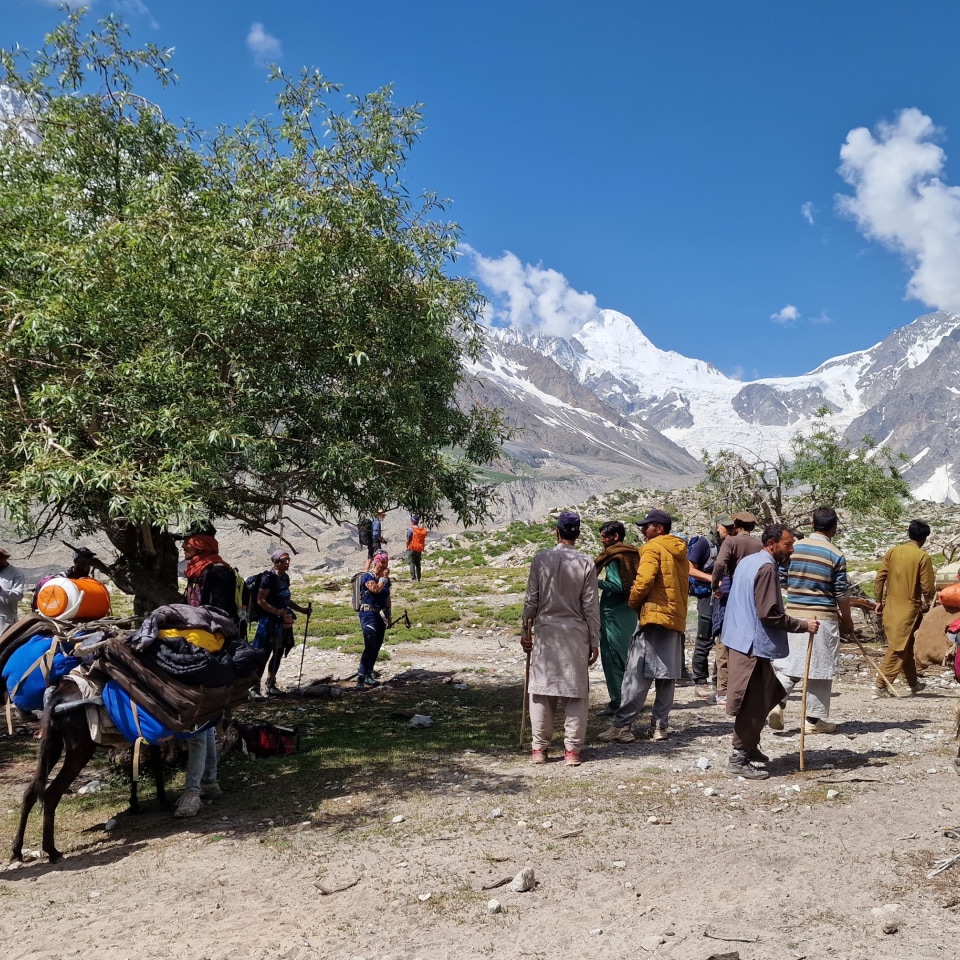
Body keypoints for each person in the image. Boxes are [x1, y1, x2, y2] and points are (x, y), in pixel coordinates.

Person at [722, 525, 818, 779]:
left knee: (769, 693)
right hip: (751, 644)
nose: (791, 549)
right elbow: (769, 613)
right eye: (787, 545)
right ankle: (738, 758)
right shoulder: (766, 568)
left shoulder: (748, 561)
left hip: (741, 638)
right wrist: (803, 625)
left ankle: (750, 745)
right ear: (772, 544)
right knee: (752, 702)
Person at [597, 509, 688, 744]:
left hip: (653, 618)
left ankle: (622, 726)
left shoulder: (652, 547)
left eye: (647, 526)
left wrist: (634, 602)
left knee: (636, 675)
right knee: (666, 677)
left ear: (659, 528)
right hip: (675, 619)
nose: (643, 530)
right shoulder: (680, 551)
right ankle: (659, 727)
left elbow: (644, 580)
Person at [521, 511, 600, 766]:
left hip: (546, 632)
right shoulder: (586, 562)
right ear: (577, 534)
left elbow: (531, 599)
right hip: (575, 634)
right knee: (575, 691)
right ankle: (572, 751)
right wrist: (595, 639)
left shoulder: (540, 559)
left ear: (557, 532)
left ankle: (539, 749)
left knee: (541, 690)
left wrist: (525, 631)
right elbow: (590, 605)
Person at [769, 507, 853, 734]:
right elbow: (841, 593)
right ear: (834, 528)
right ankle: (813, 721)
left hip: (794, 615)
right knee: (820, 669)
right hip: (823, 618)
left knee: (789, 664)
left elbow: (782, 579)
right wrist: (847, 620)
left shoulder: (794, 549)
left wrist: (799, 592)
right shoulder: (835, 554)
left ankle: (776, 704)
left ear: (812, 525)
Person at [176, 532, 241, 818]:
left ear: (198, 545)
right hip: (199, 641)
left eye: (187, 544)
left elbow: (215, 612)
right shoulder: (199, 571)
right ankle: (210, 781)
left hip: (210, 647)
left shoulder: (215, 572)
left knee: (199, 721)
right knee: (207, 720)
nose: (183, 548)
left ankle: (193, 790)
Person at [873, 519, 936, 697]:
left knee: (906, 646)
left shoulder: (893, 551)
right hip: (909, 611)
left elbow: (880, 577)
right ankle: (880, 686)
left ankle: (913, 683)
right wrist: (932, 604)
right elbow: (927, 587)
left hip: (891, 608)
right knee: (898, 649)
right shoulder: (922, 557)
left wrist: (878, 600)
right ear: (924, 538)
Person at [710, 511, 763, 705]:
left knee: (724, 640)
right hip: (752, 595)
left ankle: (723, 690)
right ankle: (746, 687)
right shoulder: (759, 545)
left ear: (736, 525)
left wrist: (715, 586)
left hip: (732, 593)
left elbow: (719, 564)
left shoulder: (731, 542)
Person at [594, 521, 640, 716]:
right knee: (627, 656)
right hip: (629, 610)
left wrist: (593, 581)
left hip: (612, 612)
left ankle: (617, 702)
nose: (602, 540)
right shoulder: (632, 553)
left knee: (612, 657)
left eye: (605, 537)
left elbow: (617, 586)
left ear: (615, 537)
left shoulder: (614, 557)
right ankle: (631, 698)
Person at [252, 550, 312, 697]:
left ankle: (271, 684)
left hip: (283, 621)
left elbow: (286, 600)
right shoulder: (268, 578)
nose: (287, 562)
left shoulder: (285, 578)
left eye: (288, 559)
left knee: (278, 652)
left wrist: (302, 610)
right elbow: (260, 600)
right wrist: (276, 612)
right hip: (268, 621)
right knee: (264, 653)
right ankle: (254, 688)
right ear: (276, 563)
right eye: (284, 560)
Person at [688, 517, 734, 701]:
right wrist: (713, 580)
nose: (729, 532)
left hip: (724, 597)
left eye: (731, 529)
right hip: (707, 596)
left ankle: (718, 681)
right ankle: (700, 681)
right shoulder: (703, 544)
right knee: (705, 638)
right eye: (726, 528)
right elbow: (690, 569)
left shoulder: (729, 544)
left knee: (722, 639)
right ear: (717, 527)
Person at [356, 551, 392, 689]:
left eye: (386, 562)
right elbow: (375, 589)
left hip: (379, 615)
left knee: (376, 646)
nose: (385, 565)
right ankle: (361, 676)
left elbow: (387, 599)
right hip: (367, 615)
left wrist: (389, 617)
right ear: (376, 563)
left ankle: (368, 674)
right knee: (369, 645)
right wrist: (384, 579)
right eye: (382, 562)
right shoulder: (368, 577)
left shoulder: (386, 580)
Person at [0, 547, 25, 636]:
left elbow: (19, 595)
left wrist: (2, 591)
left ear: (2, 559)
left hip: (6, 621)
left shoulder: (16, 573)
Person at [406, 515, 428, 582]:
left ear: (412, 521)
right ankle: (418, 578)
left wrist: (407, 546)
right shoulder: (421, 530)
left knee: (412, 563)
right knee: (418, 564)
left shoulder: (410, 529)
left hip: (412, 548)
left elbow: (408, 540)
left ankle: (413, 578)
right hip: (419, 549)